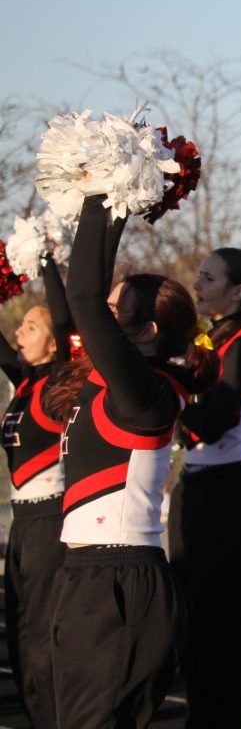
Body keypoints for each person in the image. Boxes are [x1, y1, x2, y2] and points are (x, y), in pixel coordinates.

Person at [44, 194, 219, 729]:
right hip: (84, 575)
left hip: (120, 581)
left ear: (145, 333)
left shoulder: (145, 394)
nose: (94, 323)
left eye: (113, 315)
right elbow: (77, 302)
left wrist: (107, 192)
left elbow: (83, 296)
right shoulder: (102, 384)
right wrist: (113, 202)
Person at [169, 248, 241, 728]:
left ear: (239, 291)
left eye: (208, 278)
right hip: (193, 487)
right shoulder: (209, 338)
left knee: (221, 633)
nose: (198, 284)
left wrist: (161, 388)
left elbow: (211, 422)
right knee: (188, 628)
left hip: (226, 495)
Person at [1, 256, 71, 729]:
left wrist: (47, 260)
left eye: (30, 326)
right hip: (21, 523)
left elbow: (65, 320)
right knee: (20, 634)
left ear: (53, 341)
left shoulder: (59, 383)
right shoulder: (25, 382)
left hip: (49, 518)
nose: (20, 333)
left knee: (43, 638)